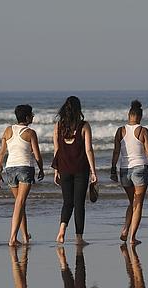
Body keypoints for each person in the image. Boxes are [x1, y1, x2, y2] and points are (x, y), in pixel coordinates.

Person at [110, 100, 148, 244]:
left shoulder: (120, 130)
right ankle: (132, 238)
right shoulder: (143, 130)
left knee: (131, 202)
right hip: (140, 169)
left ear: (129, 115)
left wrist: (112, 168)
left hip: (124, 170)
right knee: (138, 204)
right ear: (140, 116)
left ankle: (125, 229)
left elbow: (116, 152)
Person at [0, 104, 44, 246]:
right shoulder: (30, 132)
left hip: (10, 169)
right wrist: (41, 169)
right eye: (32, 115)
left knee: (20, 204)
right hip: (25, 168)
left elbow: (1, 153)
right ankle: (12, 238)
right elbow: (37, 154)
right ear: (27, 117)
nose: (33, 116)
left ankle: (25, 237)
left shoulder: (8, 130)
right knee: (20, 203)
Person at [52, 96, 98, 244]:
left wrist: (56, 170)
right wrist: (93, 172)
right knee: (79, 204)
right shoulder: (84, 126)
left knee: (67, 202)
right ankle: (79, 238)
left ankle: (61, 230)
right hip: (80, 169)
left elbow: (57, 150)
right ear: (79, 109)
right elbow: (89, 150)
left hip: (64, 168)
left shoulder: (59, 126)